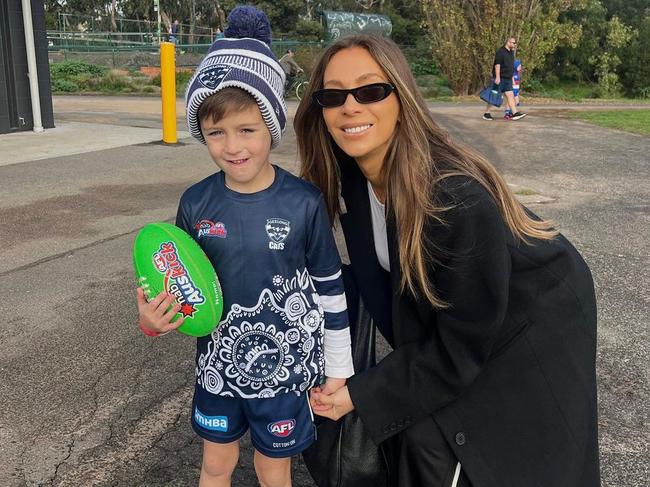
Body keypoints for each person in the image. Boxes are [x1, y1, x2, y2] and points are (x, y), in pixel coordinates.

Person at [295, 34, 600, 487]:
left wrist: (362, 393)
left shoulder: (453, 199)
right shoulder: (355, 183)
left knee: (490, 451)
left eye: (371, 90)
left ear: (402, 98)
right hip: (473, 314)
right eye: (333, 95)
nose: (350, 106)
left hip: (534, 316)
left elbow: (458, 350)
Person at [137, 6, 354, 487]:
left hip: (286, 371)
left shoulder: (304, 202)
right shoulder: (196, 202)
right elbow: (175, 283)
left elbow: (330, 289)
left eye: (247, 130)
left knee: (273, 470)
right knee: (216, 465)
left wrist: (338, 369)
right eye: (216, 133)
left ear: (271, 127)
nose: (232, 146)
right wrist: (152, 322)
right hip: (217, 367)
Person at [483, 37, 526, 121]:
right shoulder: (500, 52)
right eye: (513, 43)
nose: (514, 45)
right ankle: (486, 113)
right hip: (500, 78)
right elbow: (497, 65)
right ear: (508, 42)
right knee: (494, 95)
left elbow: (510, 66)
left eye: (515, 43)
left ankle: (514, 113)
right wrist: (497, 77)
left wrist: (512, 77)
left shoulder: (511, 52)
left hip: (508, 79)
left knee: (510, 95)